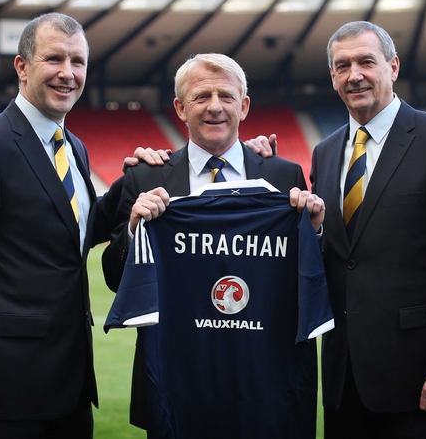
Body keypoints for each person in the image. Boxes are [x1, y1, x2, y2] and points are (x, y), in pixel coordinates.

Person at [0, 12, 167, 439]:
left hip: (69, 381)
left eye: (78, 62)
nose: (68, 74)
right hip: (0, 385)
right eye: (54, 59)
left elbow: (76, 233)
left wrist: (132, 181)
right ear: (22, 66)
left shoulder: (73, 146)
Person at [100, 53, 326, 433]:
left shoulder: (283, 174)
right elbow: (113, 277)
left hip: (265, 381)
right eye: (202, 96)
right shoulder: (145, 178)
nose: (215, 107)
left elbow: (303, 276)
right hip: (176, 383)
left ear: (245, 105)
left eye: (226, 96)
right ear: (180, 108)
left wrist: (315, 232)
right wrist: (135, 229)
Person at [306, 20, 426, 438]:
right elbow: (336, 256)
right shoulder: (326, 152)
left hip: (421, 380)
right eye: (342, 66)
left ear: (393, 66)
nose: (354, 75)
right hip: (345, 380)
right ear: (333, 77)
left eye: (366, 62)